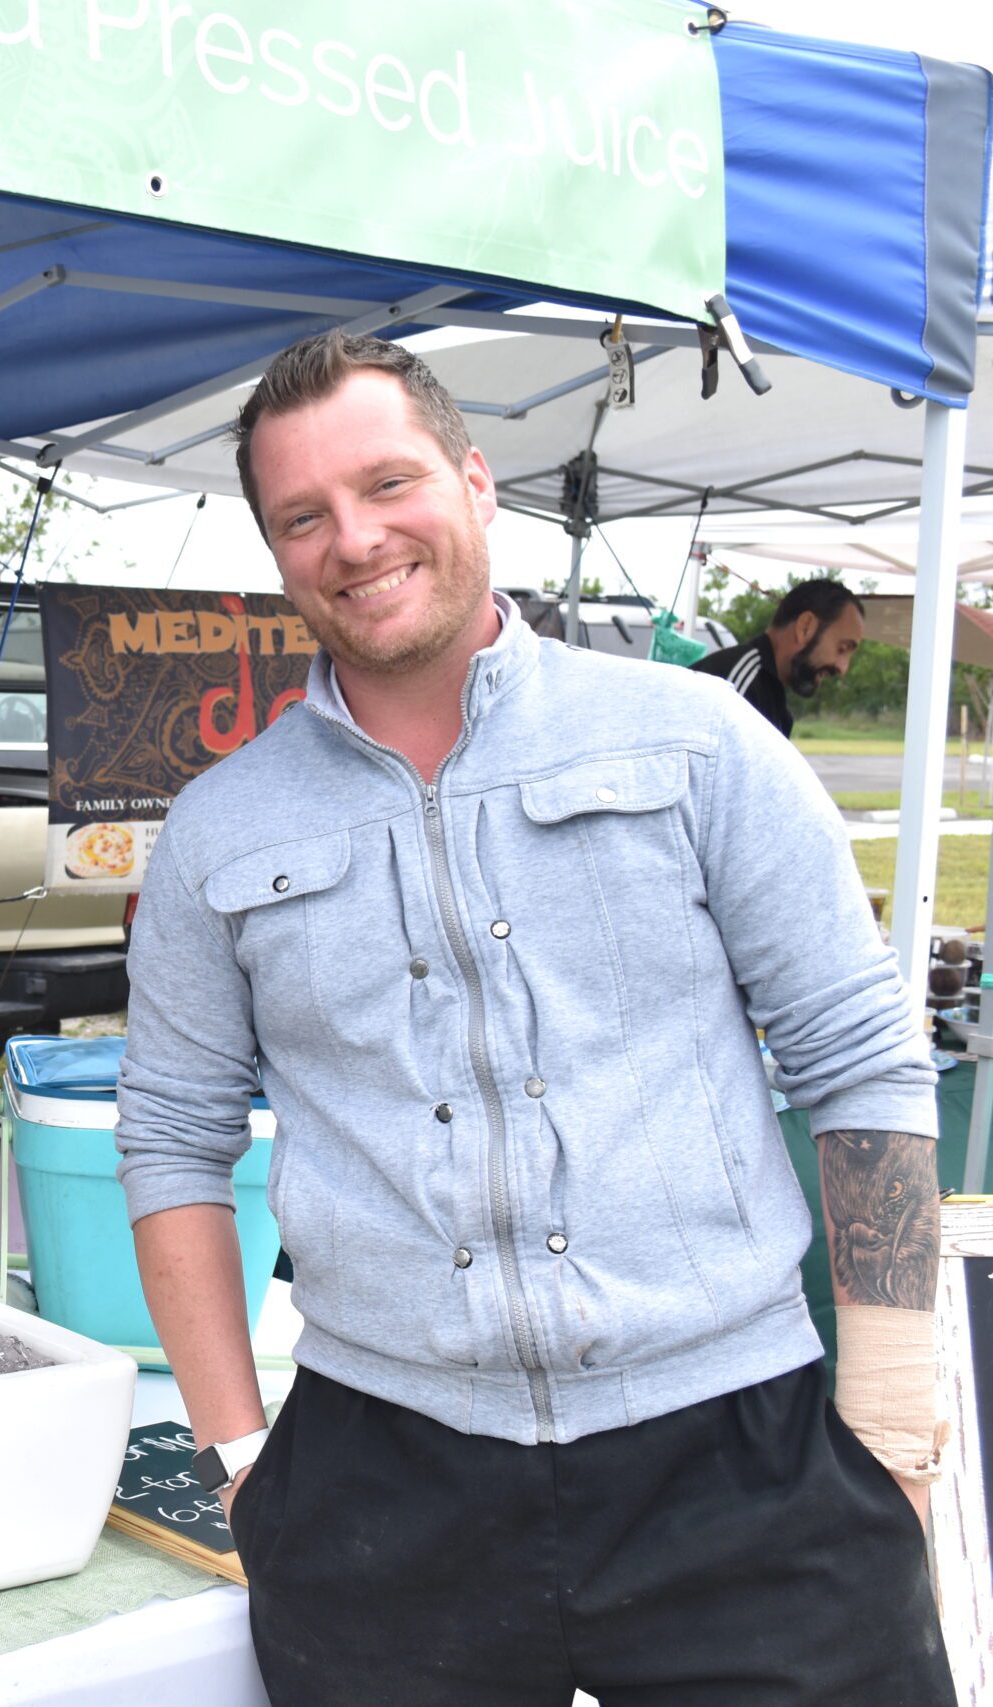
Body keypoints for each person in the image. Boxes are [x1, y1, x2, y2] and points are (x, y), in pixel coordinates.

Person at [118, 330, 952, 1705]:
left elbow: (860, 1061)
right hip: (383, 1482)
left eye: (389, 484)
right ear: (276, 552)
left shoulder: (696, 743)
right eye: (305, 516)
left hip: (742, 1461)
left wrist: (891, 1427)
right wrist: (241, 1460)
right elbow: (168, 1141)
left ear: (476, 480)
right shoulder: (220, 830)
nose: (357, 539)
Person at [692, 577, 865, 737]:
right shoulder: (739, 686)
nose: (843, 668)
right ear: (805, 627)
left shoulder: (770, 696)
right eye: (842, 649)